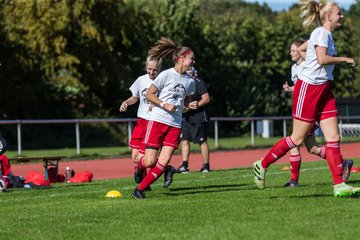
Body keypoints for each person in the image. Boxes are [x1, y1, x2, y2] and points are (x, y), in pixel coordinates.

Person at [253, 1, 359, 197]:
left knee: (333, 138)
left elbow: (304, 50)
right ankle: (262, 164)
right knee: (298, 139)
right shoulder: (320, 33)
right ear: (329, 17)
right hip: (309, 89)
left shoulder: (325, 35)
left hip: (324, 89)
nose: (341, 16)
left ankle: (339, 186)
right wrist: (345, 59)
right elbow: (321, 59)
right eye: (339, 13)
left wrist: (307, 54)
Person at [132, 37, 197, 199]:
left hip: (175, 124)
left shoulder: (191, 82)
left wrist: (190, 105)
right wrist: (164, 104)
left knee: (164, 160)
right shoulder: (166, 75)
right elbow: (149, 95)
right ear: (181, 59)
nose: (193, 61)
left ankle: (139, 190)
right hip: (157, 121)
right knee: (149, 162)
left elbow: (186, 101)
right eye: (191, 58)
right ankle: (140, 168)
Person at [282, 37, 353, 187]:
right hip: (301, 109)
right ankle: (342, 162)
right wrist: (290, 89)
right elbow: (301, 88)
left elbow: (310, 86)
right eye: (291, 50)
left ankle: (293, 181)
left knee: (294, 143)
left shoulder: (308, 66)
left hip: (310, 111)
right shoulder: (294, 67)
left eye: (293, 50)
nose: (291, 53)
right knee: (312, 148)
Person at [119, 57, 162, 184]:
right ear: (145, 68)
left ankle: (144, 182)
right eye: (149, 69)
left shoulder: (163, 80)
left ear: (160, 69)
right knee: (135, 157)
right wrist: (126, 102)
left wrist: (157, 104)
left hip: (153, 121)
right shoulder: (141, 80)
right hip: (141, 121)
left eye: (155, 70)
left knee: (144, 157)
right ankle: (143, 177)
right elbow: (135, 97)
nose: (152, 72)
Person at [177, 67, 211, 173]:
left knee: (202, 141)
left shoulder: (198, 82)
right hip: (187, 117)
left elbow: (206, 98)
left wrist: (197, 105)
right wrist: (186, 106)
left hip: (199, 117)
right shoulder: (183, 84)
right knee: (184, 140)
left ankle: (206, 166)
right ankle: (184, 165)